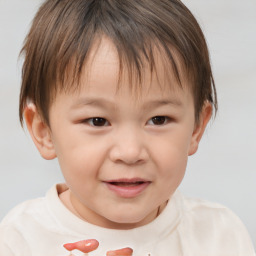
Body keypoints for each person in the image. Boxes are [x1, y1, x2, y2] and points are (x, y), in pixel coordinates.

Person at [0, 0, 254, 255]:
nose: (130, 152)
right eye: (98, 121)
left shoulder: (219, 235)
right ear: (44, 131)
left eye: (159, 119)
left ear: (196, 127)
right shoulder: (21, 239)